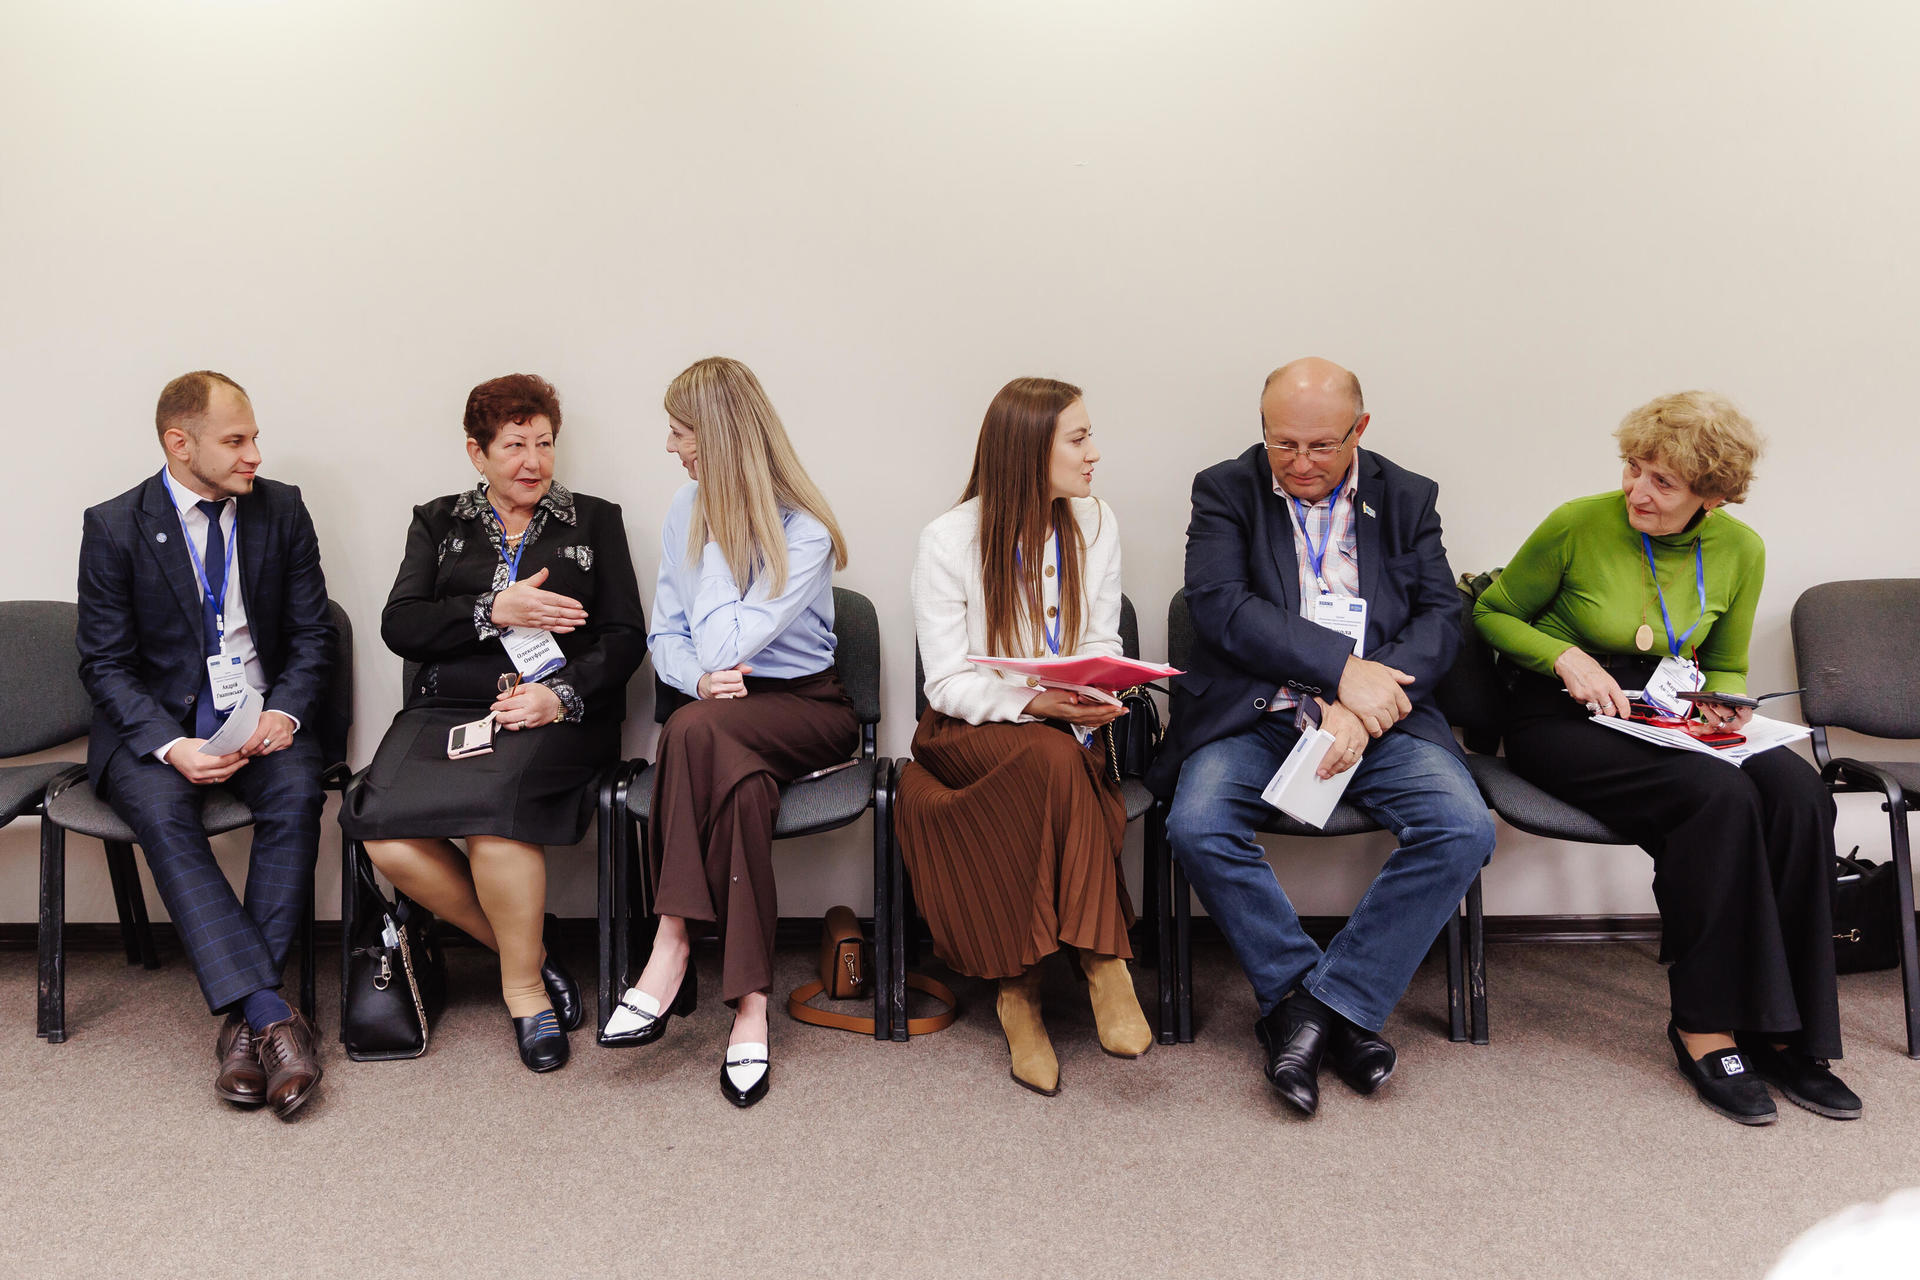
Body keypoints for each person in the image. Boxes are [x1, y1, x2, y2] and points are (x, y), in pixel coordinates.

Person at [1474, 390, 1858, 1125]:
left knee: (1801, 795)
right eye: (1633, 468)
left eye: (1662, 482)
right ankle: (1703, 1025)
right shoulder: (1577, 523)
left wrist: (1725, 701)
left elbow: (1727, 662)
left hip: (1667, 710)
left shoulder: (1741, 549)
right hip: (1563, 713)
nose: (1636, 491)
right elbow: (1493, 612)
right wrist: (1562, 657)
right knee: (1718, 797)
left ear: (1712, 496)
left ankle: (1788, 1033)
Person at [1150, 357, 1495, 1117]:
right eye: (1283, 444)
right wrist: (1343, 672)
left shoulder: (1407, 495)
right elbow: (1220, 606)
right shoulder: (1225, 489)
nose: (1300, 463)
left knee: (1462, 828)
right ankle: (1310, 1001)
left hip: (1383, 719)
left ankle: (1318, 1009)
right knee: (1196, 824)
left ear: (1359, 430)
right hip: (1257, 713)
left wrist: (1362, 704)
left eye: (1321, 446)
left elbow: (1441, 618)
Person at [344, 374, 646, 1073]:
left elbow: (625, 637)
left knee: (492, 818)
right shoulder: (437, 522)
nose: (533, 461)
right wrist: (492, 610)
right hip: (447, 709)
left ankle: (525, 993)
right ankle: (531, 950)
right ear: (477, 453)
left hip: (552, 712)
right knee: (380, 828)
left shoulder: (594, 521)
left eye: (544, 443)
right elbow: (401, 624)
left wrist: (558, 695)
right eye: (514, 445)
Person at [76, 370, 335, 1119]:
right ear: (179, 443)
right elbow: (104, 663)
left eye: (255, 437)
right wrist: (170, 745)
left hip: (260, 719)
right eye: (236, 440)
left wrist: (284, 712)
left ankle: (248, 1027)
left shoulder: (281, 509)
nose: (255, 454)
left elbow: (314, 633)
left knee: (297, 792)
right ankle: (270, 1017)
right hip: (156, 731)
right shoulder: (115, 525)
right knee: (164, 814)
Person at [601, 356, 856, 1108]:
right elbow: (669, 638)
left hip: (806, 709)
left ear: (716, 440)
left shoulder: (804, 530)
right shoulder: (682, 506)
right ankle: (750, 1006)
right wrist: (699, 681)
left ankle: (672, 941)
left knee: (691, 733)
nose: (671, 447)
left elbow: (724, 642)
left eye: (681, 432)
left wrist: (715, 530)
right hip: (723, 713)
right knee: (735, 782)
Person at [896, 376, 1152, 1098]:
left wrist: (1095, 691)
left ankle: (1020, 990)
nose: (1094, 453)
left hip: (1064, 728)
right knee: (1050, 757)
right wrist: (1035, 703)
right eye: (1079, 438)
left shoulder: (1095, 521)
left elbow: (1099, 637)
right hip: (965, 732)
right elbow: (946, 682)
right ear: (1029, 449)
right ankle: (1101, 961)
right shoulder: (949, 539)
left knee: (1054, 758)